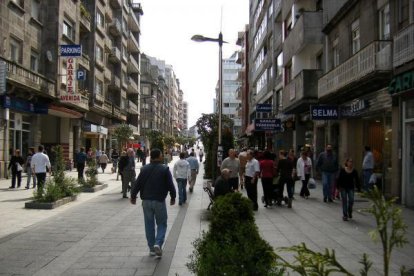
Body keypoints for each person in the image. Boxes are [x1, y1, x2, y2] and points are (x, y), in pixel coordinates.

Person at [130, 148, 176, 258]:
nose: (162, 156)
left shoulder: (144, 169)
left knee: (149, 225)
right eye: (161, 154)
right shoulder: (164, 169)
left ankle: (151, 249)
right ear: (159, 157)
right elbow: (170, 185)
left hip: (146, 201)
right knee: (162, 223)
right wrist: (173, 197)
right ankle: (158, 243)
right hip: (159, 201)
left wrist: (133, 196)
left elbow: (138, 183)